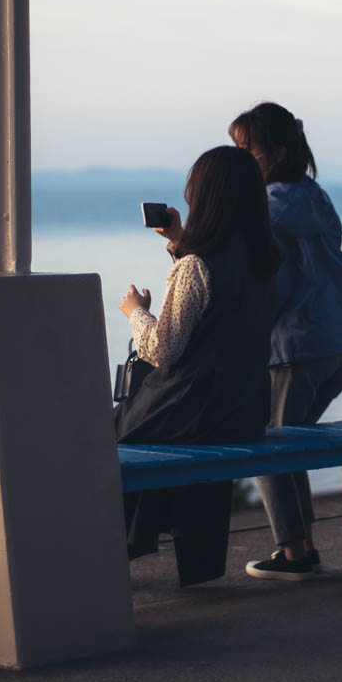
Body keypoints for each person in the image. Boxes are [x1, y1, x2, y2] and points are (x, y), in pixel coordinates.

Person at [115, 145, 282, 585]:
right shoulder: (264, 261)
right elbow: (219, 310)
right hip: (243, 410)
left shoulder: (195, 267)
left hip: (189, 409)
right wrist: (178, 240)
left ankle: (113, 547)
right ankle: (198, 564)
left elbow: (162, 349)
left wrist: (135, 311)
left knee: (110, 433)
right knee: (177, 456)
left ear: (205, 196)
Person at [228, 103, 342, 582]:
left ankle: (294, 552)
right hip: (341, 341)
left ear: (278, 152)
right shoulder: (316, 199)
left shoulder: (262, 208)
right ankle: (301, 546)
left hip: (297, 347)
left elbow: (231, 259)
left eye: (248, 150)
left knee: (264, 442)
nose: (240, 159)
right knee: (288, 440)